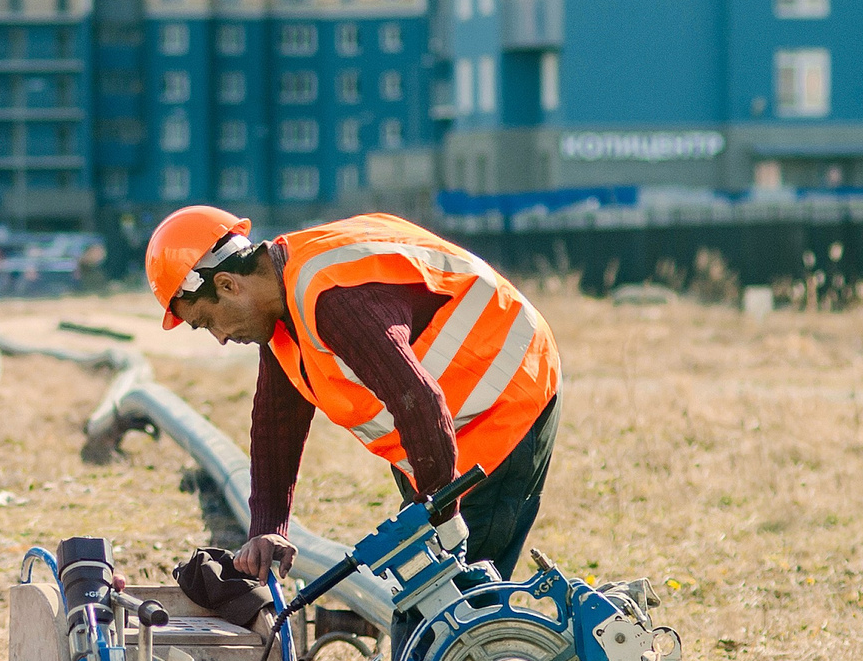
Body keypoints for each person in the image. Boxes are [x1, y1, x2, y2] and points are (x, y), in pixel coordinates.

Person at [145, 206, 561, 634]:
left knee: (449, 612)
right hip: (442, 430)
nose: (219, 337)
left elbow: (417, 399)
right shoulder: (284, 304)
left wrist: (440, 517)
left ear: (228, 284)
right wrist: (268, 528)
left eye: (207, 321)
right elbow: (276, 423)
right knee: (425, 599)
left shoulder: (334, 299)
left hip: (504, 400)